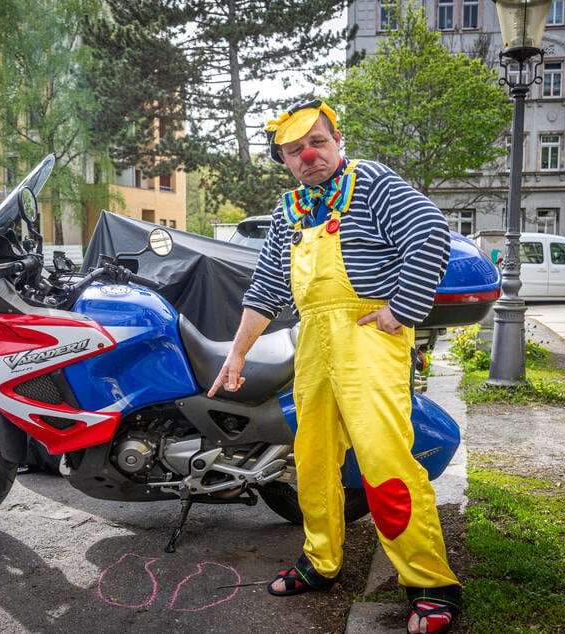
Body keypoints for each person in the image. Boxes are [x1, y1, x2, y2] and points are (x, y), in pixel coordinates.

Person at [207, 99, 462, 634]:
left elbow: (431, 232)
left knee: (386, 461)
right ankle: (320, 562)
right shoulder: (289, 209)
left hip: (370, 341)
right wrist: (237, 352)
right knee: (314, 462)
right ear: (284, 160)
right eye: (295, 150)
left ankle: (430, 583)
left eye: (317, 143)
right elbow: (268, 288)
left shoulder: (371, 181)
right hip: (313, 344)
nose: (308, 156)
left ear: (337, 141)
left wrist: (402, 308)